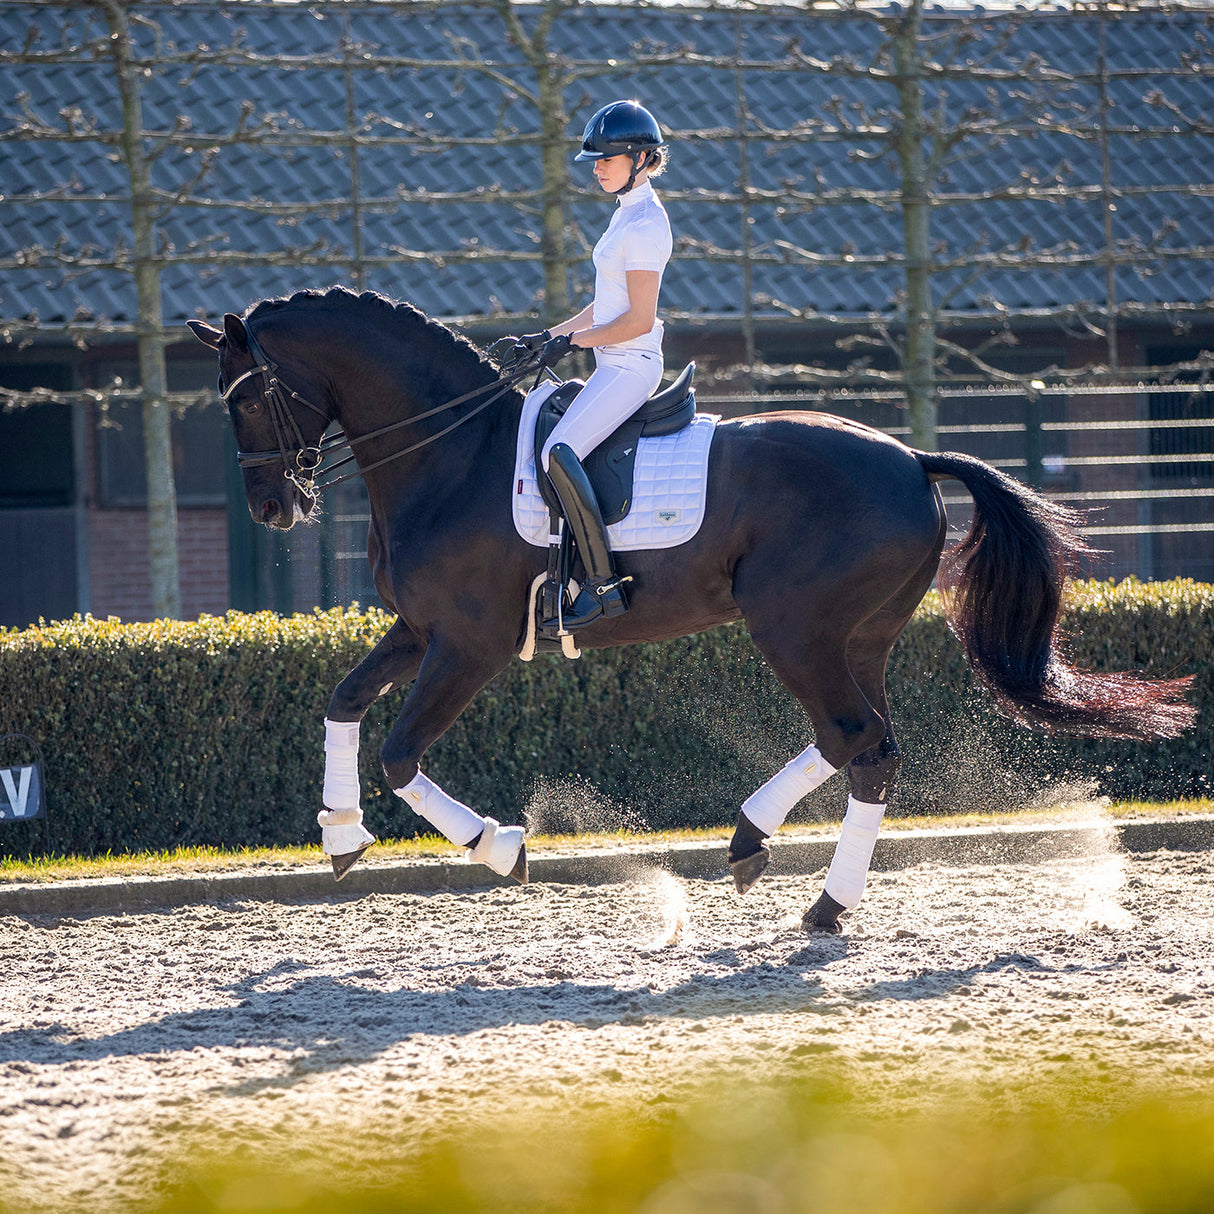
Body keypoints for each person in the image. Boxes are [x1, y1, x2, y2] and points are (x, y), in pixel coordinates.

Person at [517, 99, 673, 635]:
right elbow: (606, 306)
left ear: (640, 159)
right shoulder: (626, 214)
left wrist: (574, 343)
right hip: (612, 363)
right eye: (596, 160)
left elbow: (638, 320)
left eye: (607, 159)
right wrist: (549, 337)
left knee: (558, 452)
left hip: (632, 366)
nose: (597, 168)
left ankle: (603, 587)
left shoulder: (647, 224)